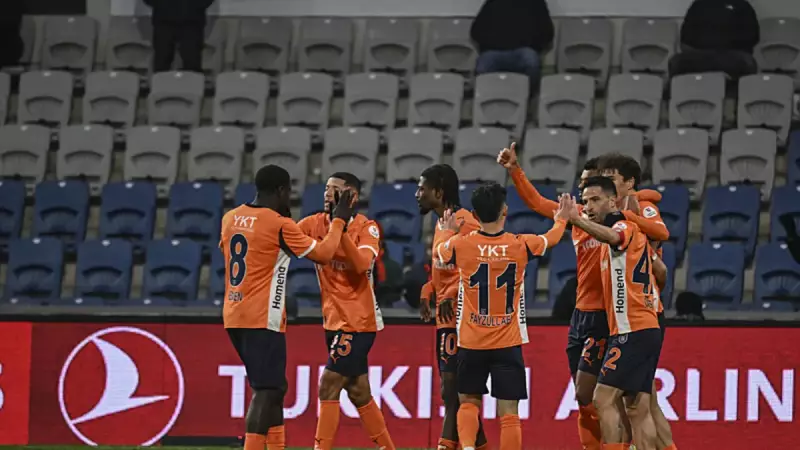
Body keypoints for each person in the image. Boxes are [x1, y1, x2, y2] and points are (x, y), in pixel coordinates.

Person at [497, 144, 665, 450]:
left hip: (610, 317)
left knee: (619, 398)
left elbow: (657, 249)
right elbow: (535, 202)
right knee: (586, 396)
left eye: (593, 190)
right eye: (583, 189)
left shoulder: (618, 223)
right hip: (581, 315)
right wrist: (515, 171)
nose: (586, 198)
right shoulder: (579, 217)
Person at [220, 165, 355, 450]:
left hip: (234, 313)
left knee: (275, 387)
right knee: (267, 390)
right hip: (262, 317)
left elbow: (230, 251)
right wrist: (339, 221)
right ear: (281, 190)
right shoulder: (278, 224)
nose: (290, 198)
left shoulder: (230, 218)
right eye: (289, 192)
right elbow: (325, 253)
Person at [436, 183, 571, 450]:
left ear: (475, 215)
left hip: (471, 343)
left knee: (468, 402)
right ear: (505, 211)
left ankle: (467, 448)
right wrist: (562, 219)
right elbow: (552, 239)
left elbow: (440, 250)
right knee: (509, 413)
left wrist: (447, 230)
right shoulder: (521, 244)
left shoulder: (461, 244)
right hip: (507, 344)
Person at [296, 173, 396, 450]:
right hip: (332, 321)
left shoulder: (367, 228)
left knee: (328, 384)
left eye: (335, 190)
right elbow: (285, 238)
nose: (327, 194)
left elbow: (362, 264)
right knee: (358, 391)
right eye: (327, 189)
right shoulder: (314, 223)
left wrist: (339, 227)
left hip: (359, 322)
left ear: (351, 196)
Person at [565, 176, 663, 450]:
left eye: (595, 200)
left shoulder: (624, 226)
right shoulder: (633, 231)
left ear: (612, 201)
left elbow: (613, 236)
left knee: (603, 398)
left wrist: (577, 219)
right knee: (637, 405)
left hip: (633, 329)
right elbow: (662, 271)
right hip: (640, 327)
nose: (589, 206)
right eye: (585, 201)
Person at [596, 154, 678, 450]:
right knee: (643, 401)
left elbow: (662, 236)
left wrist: (628, 216)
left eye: (612, 177)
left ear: (629, 182)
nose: (607, 182)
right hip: (632, 313)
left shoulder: (641, 207)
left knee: (638, 403)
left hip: (643, 312)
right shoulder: (617, 211)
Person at [415, 164, 489, 450]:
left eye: (422, 188)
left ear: (438, 191)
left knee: (452, 391)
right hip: (446, 319)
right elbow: (443, 268)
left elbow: (482, 267)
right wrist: (428, 290)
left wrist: (454, 293)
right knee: (454, 393)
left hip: (464, 319)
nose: (417, 194)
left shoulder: (466, 222)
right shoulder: (441, 224)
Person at [470, 0, 554, 91]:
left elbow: (547, 31)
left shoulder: (536, 3)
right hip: (494, 51)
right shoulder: (493, 2)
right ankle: (485, 95)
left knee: (531, 61)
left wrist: (535, 45)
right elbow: (476, 30)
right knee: (483, 66)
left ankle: (529, 95)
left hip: (524, 50)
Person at [669, 0, 759, 79]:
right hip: (700, 55)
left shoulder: (742, 5)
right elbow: (685, 38)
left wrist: (727, 44)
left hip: (731, 55)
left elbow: (753, 36)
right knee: (676, 62)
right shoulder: (698, 5)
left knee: (747, 62)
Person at [143, 0, 214, 72]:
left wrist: (193, 6)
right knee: (161, 63)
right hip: (163, 22)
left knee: (192, 64)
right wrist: (163, 5)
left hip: (192, 22)